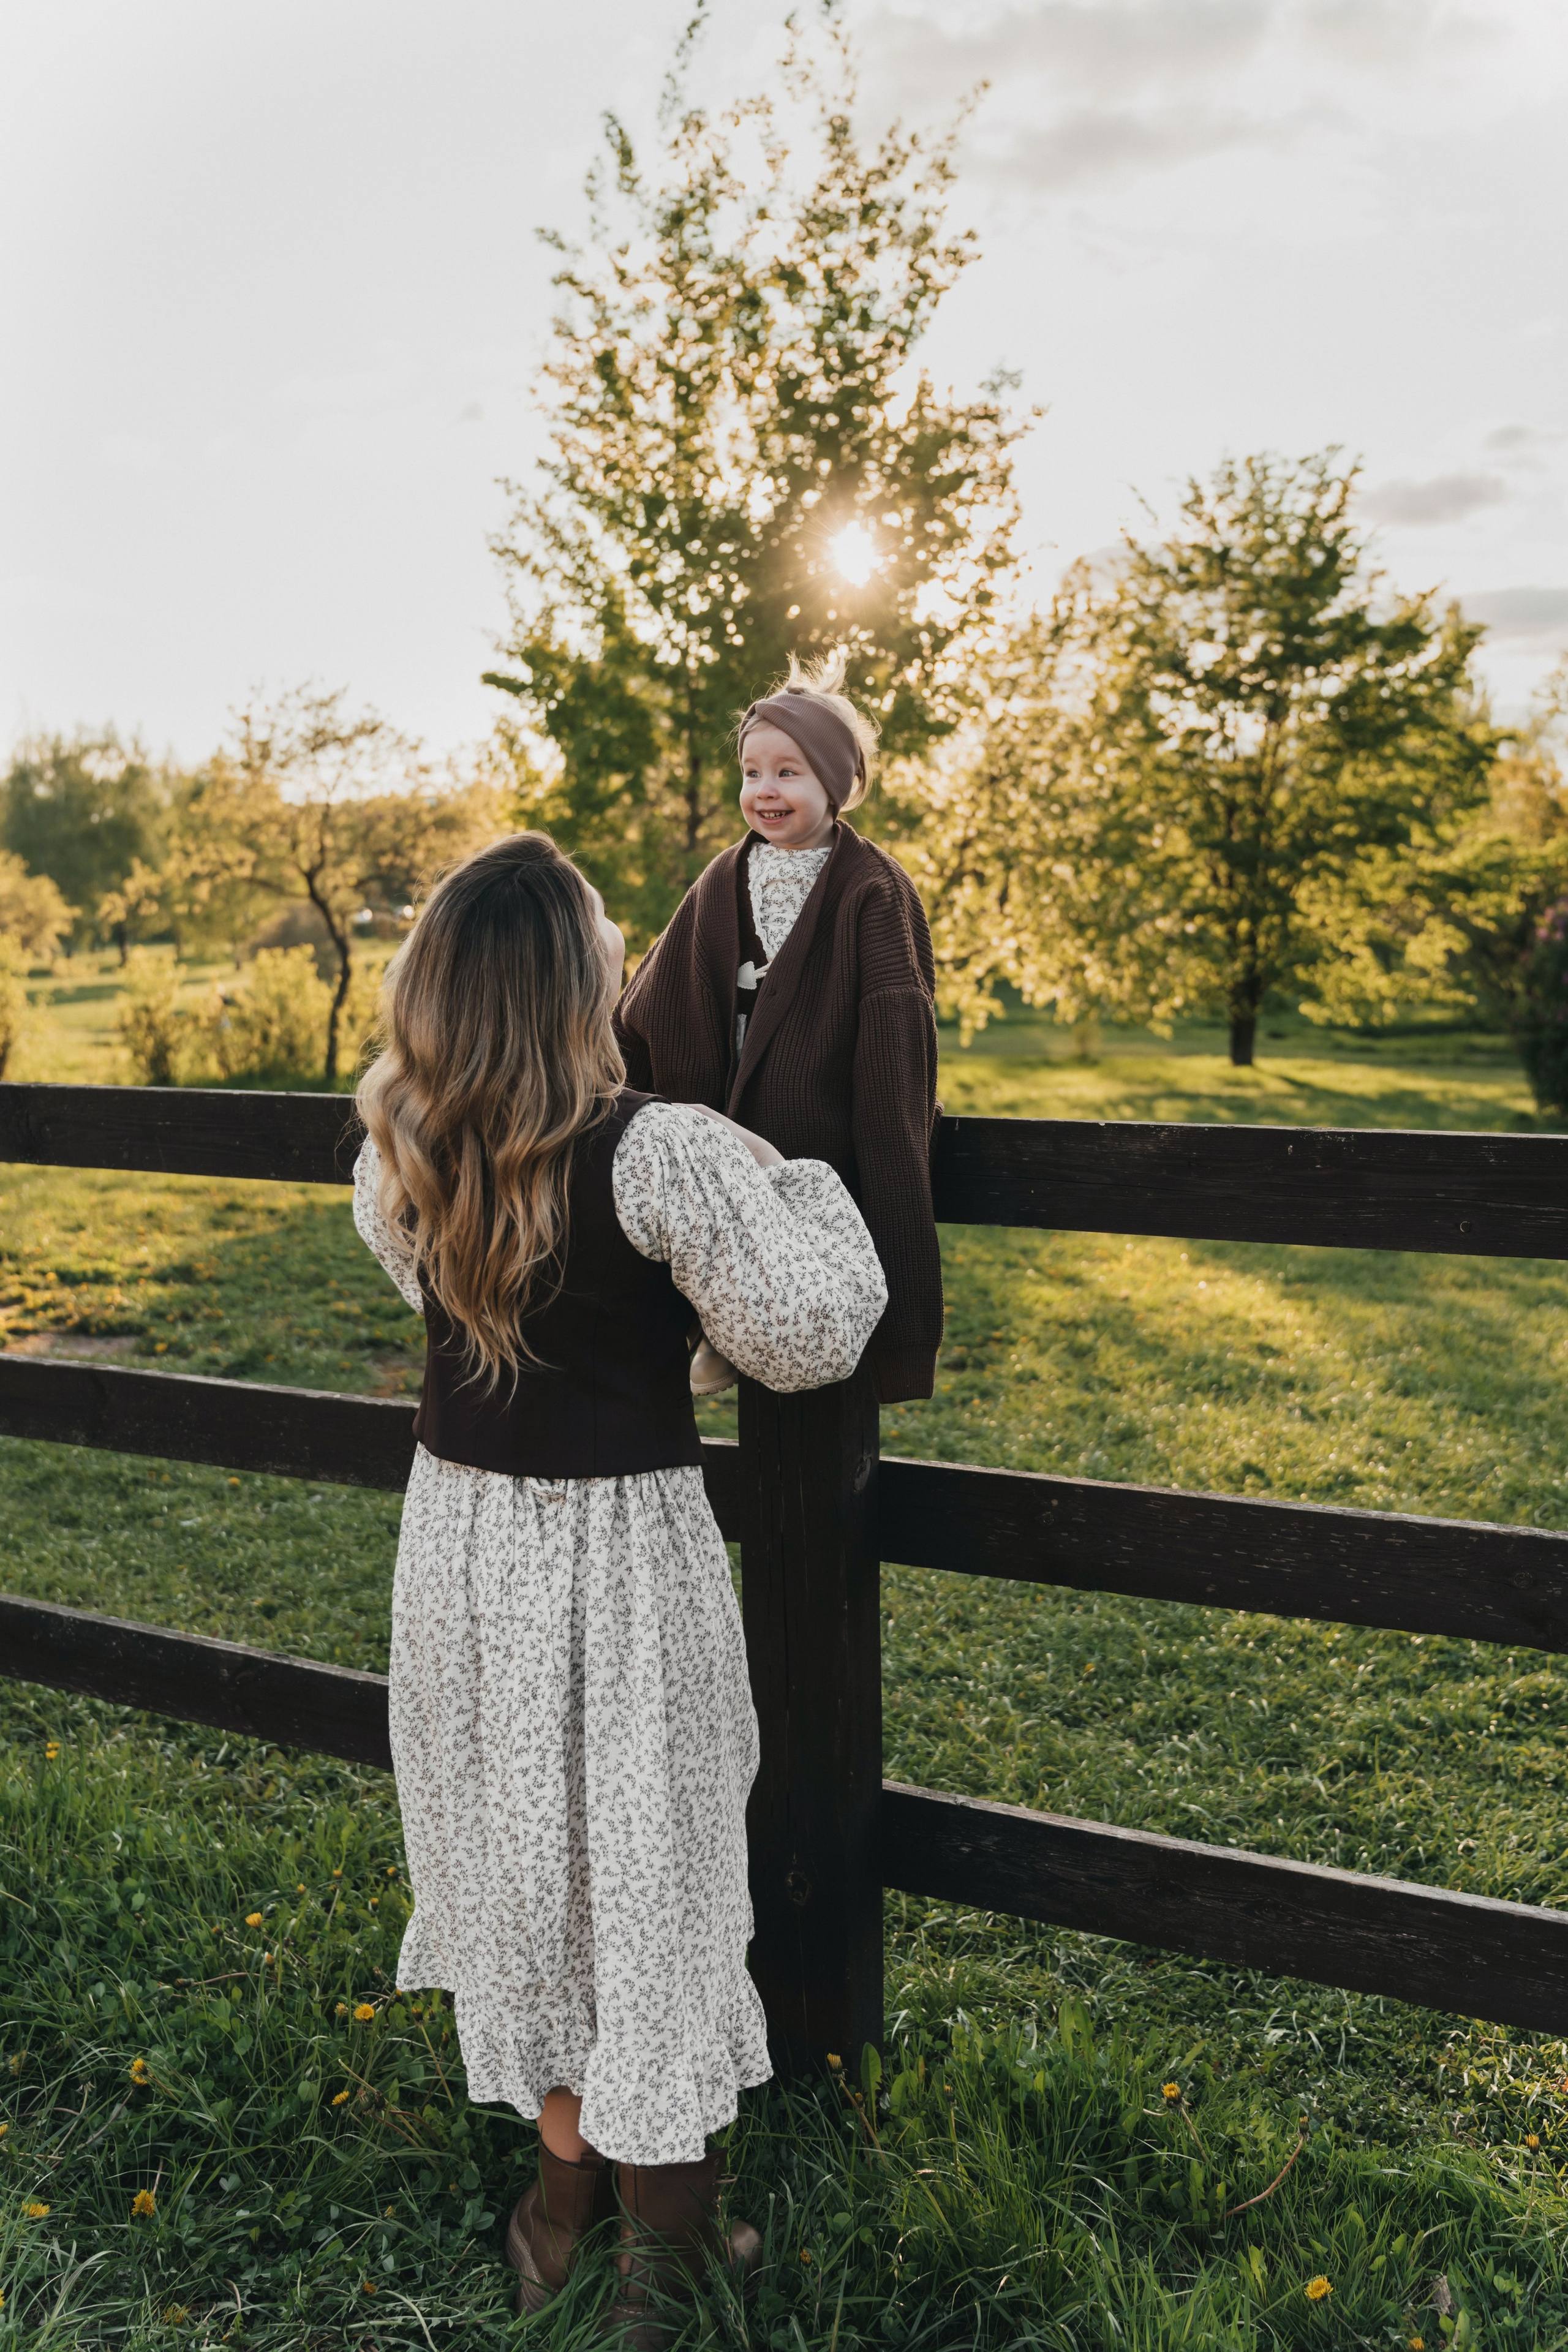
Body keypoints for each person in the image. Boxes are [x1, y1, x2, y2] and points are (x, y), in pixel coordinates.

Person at [351, 831, 887, 2338]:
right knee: (643, 1876)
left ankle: (554, 2206)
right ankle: (667, 2246)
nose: (625, 953)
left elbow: (467, 1293)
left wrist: (664, 1331)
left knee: (537, 1870)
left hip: (460, 1548)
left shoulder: (401, 1146)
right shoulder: (660, 1151)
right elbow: (805, 1330)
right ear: (567, 978)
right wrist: (817, 1191)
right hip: (611, 1555)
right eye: (603, 934)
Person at [614, 646, 943, 1406]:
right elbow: (650, 1003)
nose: (764, 790)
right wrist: (602, 1085)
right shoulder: (721, 880)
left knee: (808, 1349)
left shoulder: (873, 891)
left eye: (788, 772)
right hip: (724, 1129)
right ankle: (713, 1327)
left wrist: (894, 1161)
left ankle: (756, 1333)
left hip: (818, 1142)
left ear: (837, 783)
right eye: (751, 772)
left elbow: (896, 1051)